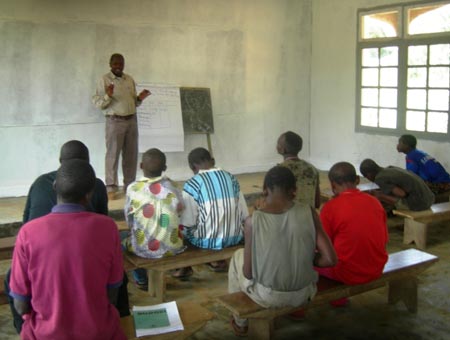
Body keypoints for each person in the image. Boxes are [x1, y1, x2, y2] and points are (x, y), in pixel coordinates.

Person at [5, 140, 130, 335]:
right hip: (98, 332)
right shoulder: (108, 228)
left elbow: (21, 306)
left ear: (54, 186)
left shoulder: (28, 232)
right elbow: (111, 294)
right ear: (90, 194)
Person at [227, 166, 337, 336]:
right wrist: (309, 258)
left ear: (264, 190)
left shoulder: (252, 221)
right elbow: (330, 259)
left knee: (237, 256)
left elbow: (248, 274)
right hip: (305, 292)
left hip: (268, 296)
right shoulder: (309, 212)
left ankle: (240, 323)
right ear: (294, 190)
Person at [317, 162, 388, 305]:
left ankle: (298, 309)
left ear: (332, 185)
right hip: (377, 267)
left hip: (347, 273)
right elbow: (384, 238)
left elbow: (323, 247)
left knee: (303, 262)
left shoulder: (331, 208)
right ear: (357, 180)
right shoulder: (375, 202)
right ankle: (338, 299)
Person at [177, 147, 249, 277]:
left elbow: (188, 222)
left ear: (192, 167)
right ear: (213, 160)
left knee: (181, 227)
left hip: (206, 241)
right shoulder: (231, 178)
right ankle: (217, 260)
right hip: (235, 237)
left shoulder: (192, 184)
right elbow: (244, 214)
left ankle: (185, 267)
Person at [123, 148, 185, 289]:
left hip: (143, 249)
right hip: (173, 247)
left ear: (141, 166)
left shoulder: (133, 188)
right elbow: (181, 209)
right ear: (165, 168)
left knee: (124, 240)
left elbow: (129, 217)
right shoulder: (173, 186)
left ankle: (141, 279)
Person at [92, 53, 151, 200]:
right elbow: (99, 104)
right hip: (114, 121)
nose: (118, 67)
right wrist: (108, 96)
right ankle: (111, 187)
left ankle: (129, 186)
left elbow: (134, 102)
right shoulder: (104, 80)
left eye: (121, 64)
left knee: (131, 155)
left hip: (131, 121)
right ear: (110, 64)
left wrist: (140, 98)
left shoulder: (129, 79)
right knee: (112, 154)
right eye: (116, 64)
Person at [23, 140, 108, 223]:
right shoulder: (96, 185)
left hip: (35, 234)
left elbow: (26, 219)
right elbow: (103, 223)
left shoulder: (39, 182)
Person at [360, 158, 435, 211]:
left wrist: (379, 195)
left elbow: (402, 194)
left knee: (379, 196)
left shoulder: (379, 178)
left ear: (369, 174)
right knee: (383, 194)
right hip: (429, 197)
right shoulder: (390, 168)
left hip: (420, 204)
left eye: (365, 176)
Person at [277, 131, 321, 208]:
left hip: (288, 218)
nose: (277, 145)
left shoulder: (278, 171)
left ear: (283, 150)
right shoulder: (312, 169)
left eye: (278, 143)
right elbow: (317, 203)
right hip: (309, 217)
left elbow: (275, 203)